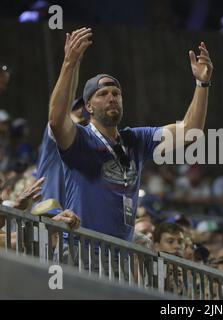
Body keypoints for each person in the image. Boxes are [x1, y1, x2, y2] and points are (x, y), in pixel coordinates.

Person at [48, 27, 213, 241]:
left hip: (121, 258)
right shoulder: (79, 138)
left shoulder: (136, 139)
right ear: (88, 106)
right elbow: (56, 120)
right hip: (84, 252)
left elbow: (191, 131)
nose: (112, 98)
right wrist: (69, 63)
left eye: (116, 93)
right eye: (103, 94)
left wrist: (202, 83)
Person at [36, 97, 89, 209]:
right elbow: (58, 121)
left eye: (84, 108)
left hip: (70, 215)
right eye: (76, 108)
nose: (81, 110)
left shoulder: (86, 143)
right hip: (46, 210)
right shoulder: (56, 130)